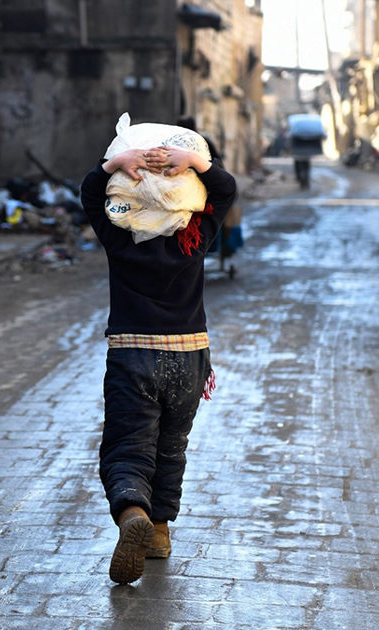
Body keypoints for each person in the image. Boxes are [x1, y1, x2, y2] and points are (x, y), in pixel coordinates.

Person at [79, 143, 237, 584]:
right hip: (189, 358)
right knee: (171, 447)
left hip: (133, 354)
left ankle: (134, 511)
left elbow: (91, 193)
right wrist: (195, 163)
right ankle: (160, 533)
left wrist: (115, 164)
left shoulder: (119, 236)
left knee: (128, 446)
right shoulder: (195, 236)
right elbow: (225, 189)